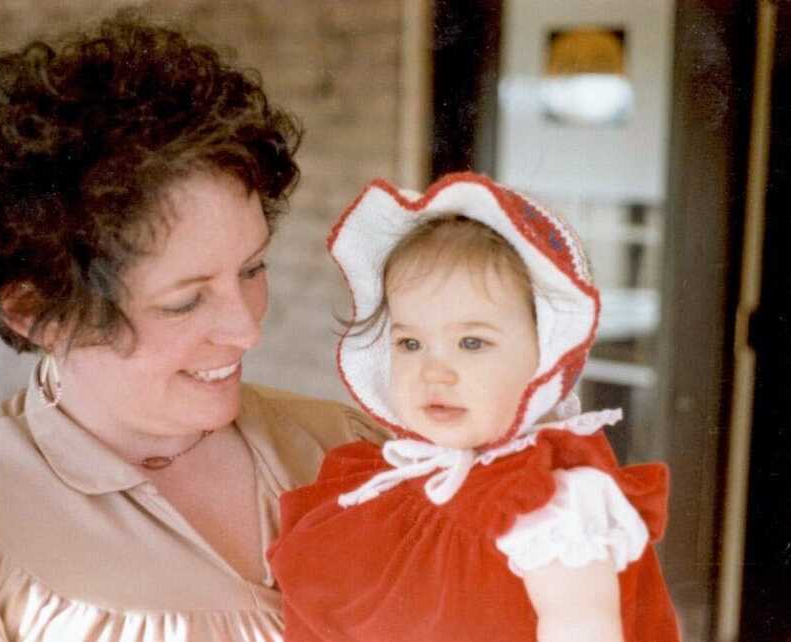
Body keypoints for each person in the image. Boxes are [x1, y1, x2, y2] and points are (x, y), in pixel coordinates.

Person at [0, 11, 388, 641]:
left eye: (253, 268)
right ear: (38, 312)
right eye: (184, 301)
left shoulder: (350, 450)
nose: (245, 331)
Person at [268, 172, 681, 641]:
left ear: (546, 356)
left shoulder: (548, 500)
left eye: (471, 342)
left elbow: (582, 627)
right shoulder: (381, 485)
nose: (434, 371)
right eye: (410, 342)